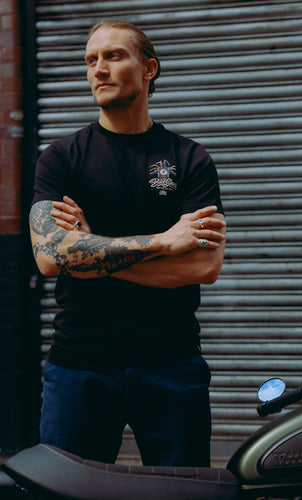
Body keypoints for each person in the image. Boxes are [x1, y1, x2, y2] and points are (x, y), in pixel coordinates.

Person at [29, 19, 226, 467]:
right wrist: (162, 242)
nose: (98, 69)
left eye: (113, 56)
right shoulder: (61, 158)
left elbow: (203, 267)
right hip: (80, 365)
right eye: (90, 60)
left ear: (149, 68)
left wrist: (88, 251)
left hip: (172, 364)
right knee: (67, 491)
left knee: (180, 493)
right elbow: (50, 257)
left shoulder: (190, 159)